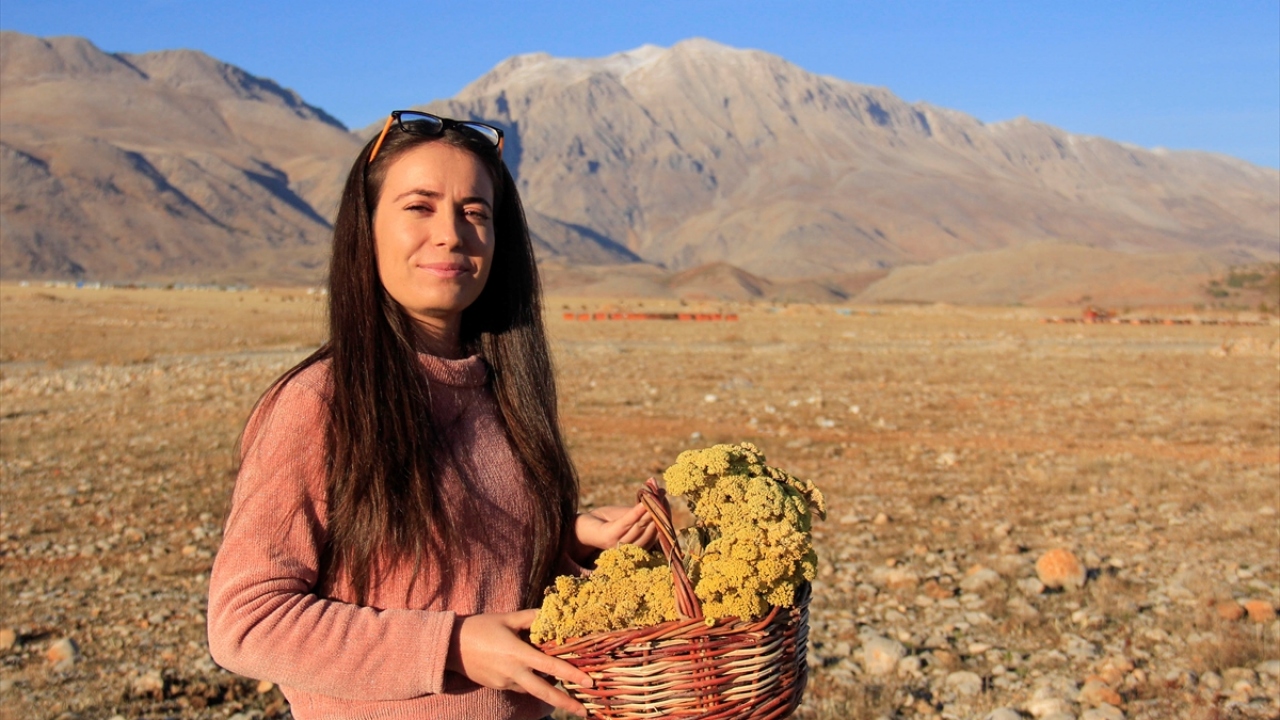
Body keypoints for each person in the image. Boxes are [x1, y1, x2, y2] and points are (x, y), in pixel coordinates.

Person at [207, 111, 656, 720]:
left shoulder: (507, 393)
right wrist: (451, 646)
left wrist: (571, 539)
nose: (451, 234)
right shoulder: (322, 402)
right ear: (365, 230)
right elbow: (246, 620)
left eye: (475, 213)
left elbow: (476, 577)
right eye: (419, 207)